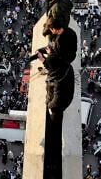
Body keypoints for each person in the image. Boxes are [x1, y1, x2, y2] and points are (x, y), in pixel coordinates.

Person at [36, 16, 77, 177]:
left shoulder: (59, 78)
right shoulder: (71, 33)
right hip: (65, 71)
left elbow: (51, 64)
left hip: (59, 104)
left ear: (53, 29)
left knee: (54, 126)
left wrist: (45, 57)